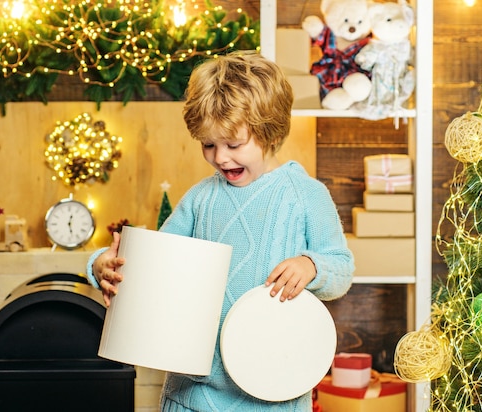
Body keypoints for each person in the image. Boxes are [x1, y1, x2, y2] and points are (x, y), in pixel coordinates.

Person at [86, 51, 355, 412]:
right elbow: (155, 265)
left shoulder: (305, 195)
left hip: (274, 394)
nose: (220, 158)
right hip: (192, 396)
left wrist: (311, 265)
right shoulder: (200, 199)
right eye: (208, 145)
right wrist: (102, 263)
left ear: (269, 130)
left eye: (234, 145)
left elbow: (340, 268)